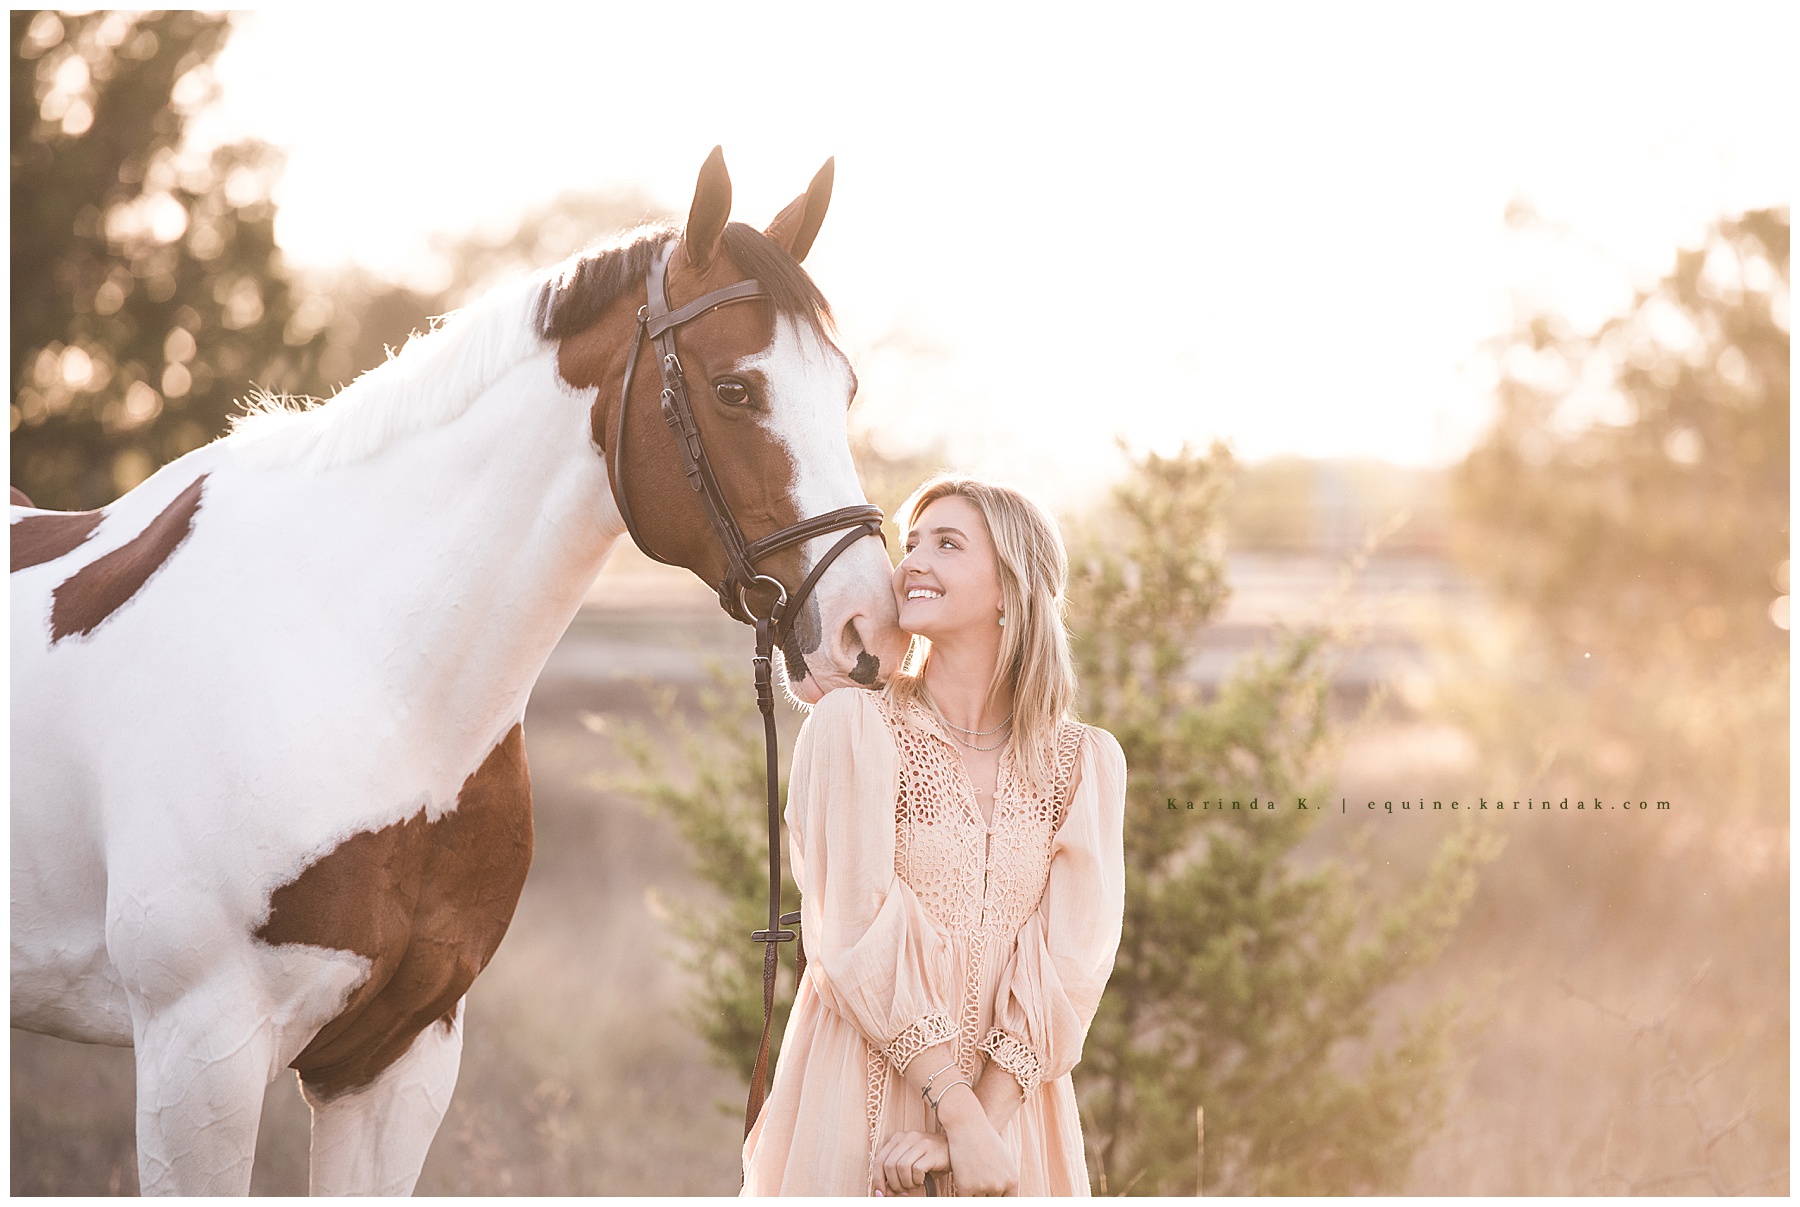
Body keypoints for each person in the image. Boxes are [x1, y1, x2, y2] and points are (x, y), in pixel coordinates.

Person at [741, 474, 1127, 1196]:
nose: (912, 560)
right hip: (859, 1101)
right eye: (910, 542)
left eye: (947, 544)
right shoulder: (853, 727)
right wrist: (960, 1115)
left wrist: (979, 1129)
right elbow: (851, 932)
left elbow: (1072, 963)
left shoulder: (1084, 763)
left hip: (1014, 1120)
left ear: (1010, 588)